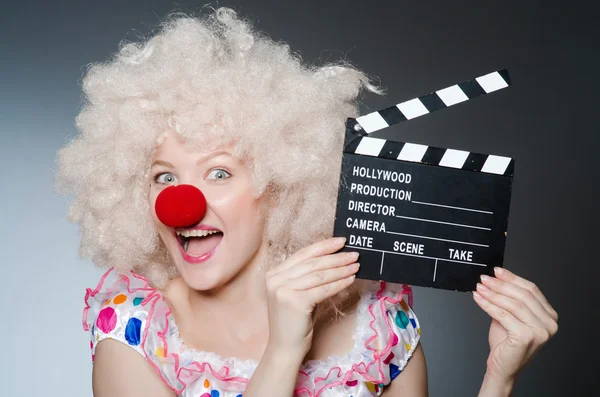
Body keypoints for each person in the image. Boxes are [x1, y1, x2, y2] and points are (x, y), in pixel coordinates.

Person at [56, 7, 558, 397]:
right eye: (163, 176)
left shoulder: (377, 315)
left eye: (219, 172)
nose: (180, 203)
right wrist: (283, 351)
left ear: (282, 182)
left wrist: (499, 380)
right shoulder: (133, 326)